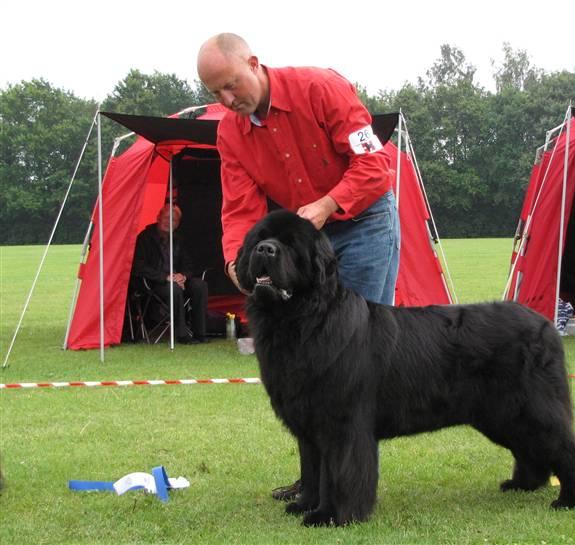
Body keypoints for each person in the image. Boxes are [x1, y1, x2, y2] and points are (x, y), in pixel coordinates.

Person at [197, 33, 400, 499]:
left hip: (364, 221)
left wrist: (329, 204)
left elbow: (375, 165)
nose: (228, 101)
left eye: (231, 86)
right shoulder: (230, 133)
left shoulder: (321, 89)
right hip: (303, 244)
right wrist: (236, 259)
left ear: (254, 62)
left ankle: (348, 485)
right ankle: (315, 480)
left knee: (355, 358)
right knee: (306, 362)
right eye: (215, 94)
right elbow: (240, 209)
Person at [132, 205, 209, 344]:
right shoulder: (144, 238)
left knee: (200, 285)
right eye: (167, 218)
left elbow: (188, 264)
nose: (169, 222)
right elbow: (138, 266)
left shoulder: (179, 239)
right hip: (154, 282)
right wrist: (165, 277)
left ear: (178, 224)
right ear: (158, 218)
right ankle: (182, 335)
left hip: (176, 280)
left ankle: (200, 333)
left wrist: (183, 275)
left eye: (174, 220)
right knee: (174, 289)